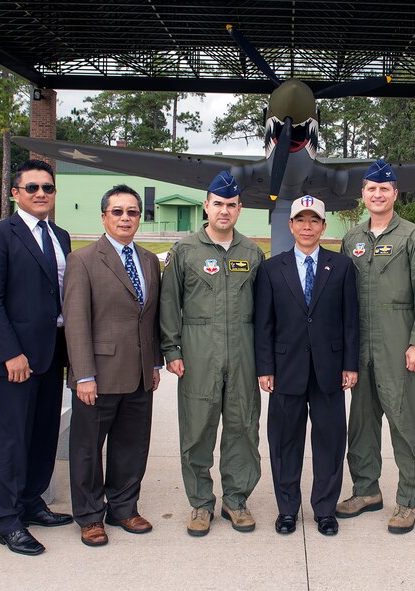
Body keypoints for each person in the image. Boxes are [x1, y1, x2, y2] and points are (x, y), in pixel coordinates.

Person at [0, 159, 73, 556]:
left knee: (44, 432)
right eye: (31, 187)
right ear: (15, 193)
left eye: (47, 188)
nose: (40, 194)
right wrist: (9, 352)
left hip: (53, 353)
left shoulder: (61, 235)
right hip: (17, 358)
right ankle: (6, 519)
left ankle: (33, 501)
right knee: (11, 439)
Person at [160, 170, 265, 536]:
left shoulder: (252, 253)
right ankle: (201, 504)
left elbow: (264, 313)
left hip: (243, 355)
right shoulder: (185, 251)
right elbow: (170, 303)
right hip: (198, 353)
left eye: (231, 205)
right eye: (218, 204)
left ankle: (236, 500)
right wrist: (172, 349)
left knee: (243, 428)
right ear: (207, 206)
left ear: (240, 209)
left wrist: (264, 361)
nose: (224, 211)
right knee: (197, 431)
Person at [338, 159, 415, 534]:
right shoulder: (353, 239)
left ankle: (409, 499)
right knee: (362, 422)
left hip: (399, 342)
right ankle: (366, 490)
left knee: (406, 421)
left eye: (384, 189)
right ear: (362, 195)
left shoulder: (414, 237)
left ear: (395, 193)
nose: (377, 194)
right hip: (360, 347)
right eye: (370, 189)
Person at [63, 185, 163, 547]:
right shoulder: (84, 259)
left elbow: (150, 319)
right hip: (99, 374)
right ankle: (90, 516)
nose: (125, 218)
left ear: (140, 217)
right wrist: (84, 375)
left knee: (132, 445)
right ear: (104, 216)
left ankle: (123, 507)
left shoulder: (149, 261)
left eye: (132, 212)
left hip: (139, 374)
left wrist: (154, 364)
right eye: (118, 211)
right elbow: (75, 321)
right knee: (88, 448)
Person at [255, 195, 359, 536]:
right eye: (301, 220)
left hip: (329, 369)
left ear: (323, 226)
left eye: (314, 220)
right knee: (285, 443)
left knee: (330, 441)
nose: (307, 227)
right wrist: (265, 367)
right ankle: (287, 509)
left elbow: (350, 321)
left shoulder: (342, 266)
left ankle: (325, 510)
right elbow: (264, 324)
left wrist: (350, 364)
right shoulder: (272, 268)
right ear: (291, 225)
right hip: (286, 369)